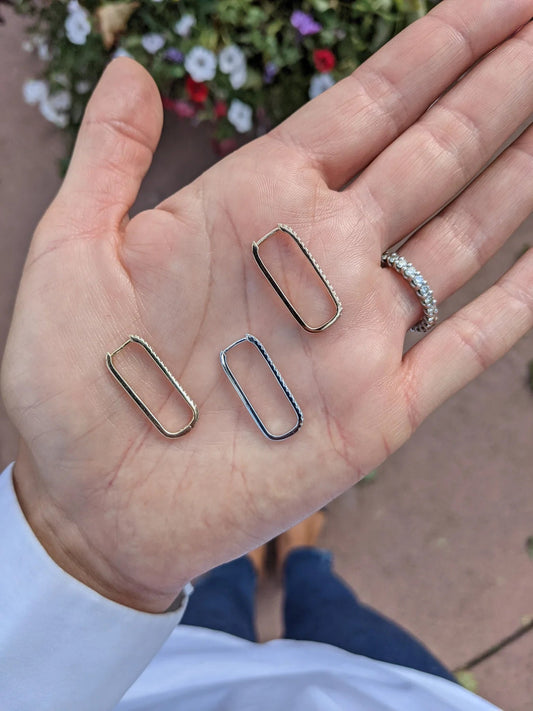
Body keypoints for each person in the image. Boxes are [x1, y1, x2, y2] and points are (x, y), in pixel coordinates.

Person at [1, 0, 532, 708]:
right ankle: (302, 562)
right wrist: (82, 548)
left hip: (151, 679)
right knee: (333, 613)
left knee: (216, 599)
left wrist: (70, 558)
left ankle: (249, 563)